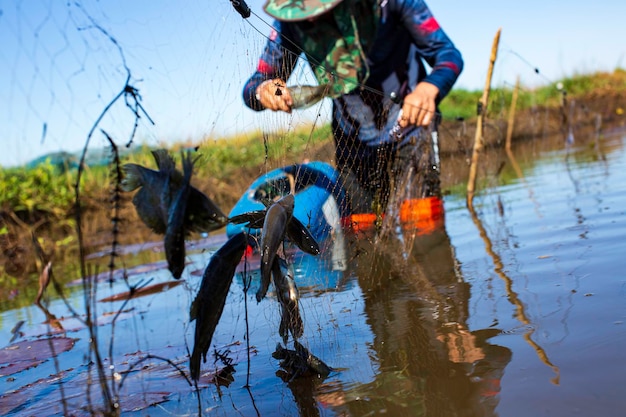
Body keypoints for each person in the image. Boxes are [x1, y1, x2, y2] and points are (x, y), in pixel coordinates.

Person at [243, 0, 463, 214]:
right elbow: (254, 85)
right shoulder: (289, 22)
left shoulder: (392, 4)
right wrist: (263, 89)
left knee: (424, 228)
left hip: (410, 128)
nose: (313, 17)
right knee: (361, 231)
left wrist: (429, 88)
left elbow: (448, 56)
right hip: (352, 141)